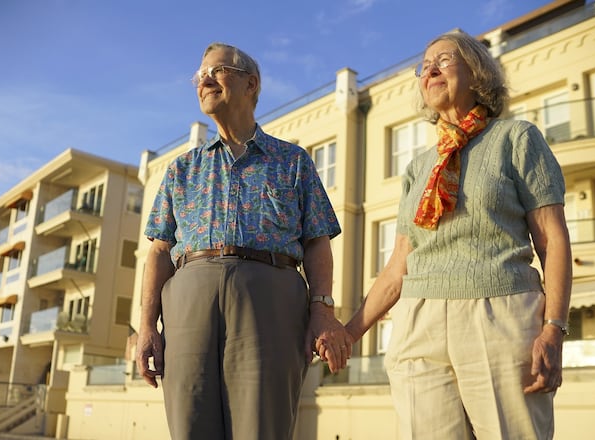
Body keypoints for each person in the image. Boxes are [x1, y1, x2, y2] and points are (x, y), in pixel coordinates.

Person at [344, 30, 572, 439]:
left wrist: (554, 329)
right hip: (418, 321)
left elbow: (552, 241)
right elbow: (398, 267)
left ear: (478, 72)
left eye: (444, 60)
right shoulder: (418, 168)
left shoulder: (515, 139)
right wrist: (349, 333)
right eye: (424, 65)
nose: (430, 69)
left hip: (499, 314)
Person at [136, 42, 352, 440]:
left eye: (215, 71)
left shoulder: (293, 161)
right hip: (187, 300)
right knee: (189, 421)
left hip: (271, 297)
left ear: (250, 83)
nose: (203, 80)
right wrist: (147, 326)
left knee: (262, 425)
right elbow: (160, 250)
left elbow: (317, 241)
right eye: (199, 75)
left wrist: (322, 309)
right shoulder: (182, 168)